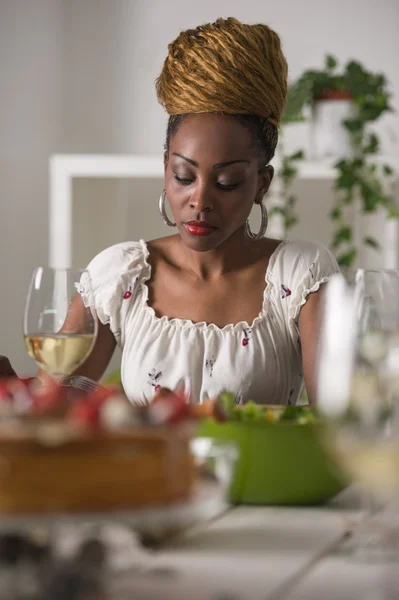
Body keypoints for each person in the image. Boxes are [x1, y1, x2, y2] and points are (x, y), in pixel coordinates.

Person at [3, 17, 339, 405]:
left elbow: (334, 427)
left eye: (227, 182)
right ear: (166, 167)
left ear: (262, 183)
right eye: (183, 176)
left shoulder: (301, 276)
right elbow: (54, 402)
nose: (200, 201)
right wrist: (16, 392)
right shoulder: (120, 275)